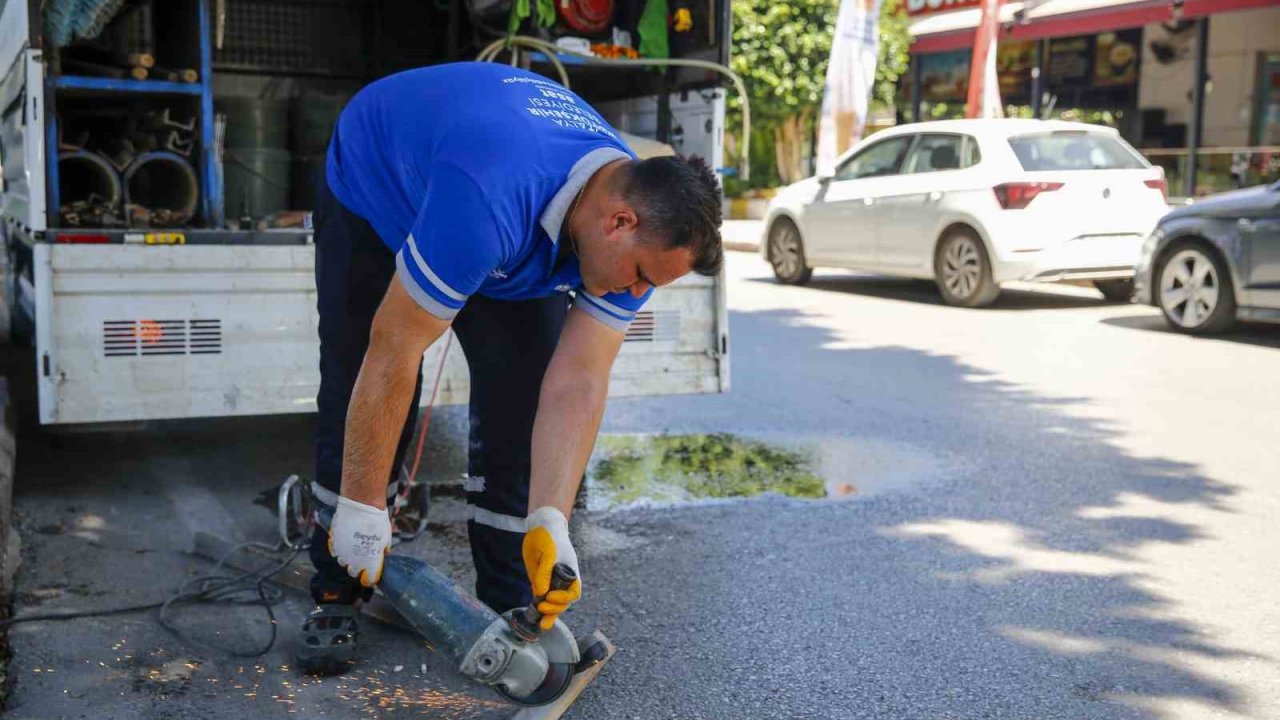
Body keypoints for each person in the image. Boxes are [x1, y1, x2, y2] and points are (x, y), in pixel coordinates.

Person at [297, 61, 723, 675]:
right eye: (640, 277)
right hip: (377, 187)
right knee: (355, 371)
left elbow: (578, 380)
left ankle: (510, 601)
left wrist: (552, 519)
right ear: (619, 221)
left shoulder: (627, 231)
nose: (636, 291)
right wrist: (362, 508)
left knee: (522, 400)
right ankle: (339, 585)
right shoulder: (487, 195)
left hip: (504, 214)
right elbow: (394, 350)